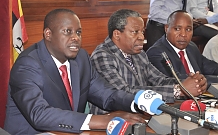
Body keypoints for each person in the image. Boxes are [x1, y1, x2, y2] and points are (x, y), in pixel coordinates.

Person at [3, 9, 147, 134]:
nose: (75, 38)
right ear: (48, 34)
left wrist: (138, 102)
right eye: (67, 32)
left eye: (78, 32)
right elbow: (38, 114)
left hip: (69, 131)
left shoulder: (81, 58)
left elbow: (107, 94)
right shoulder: (28, 64)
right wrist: (101, 121)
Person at [89, 9, 207, 115]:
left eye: (142, 31)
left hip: (140, 115)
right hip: (112, 120)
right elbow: (122, 92)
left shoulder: (139, 54)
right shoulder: (103, 55)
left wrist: (190, 83)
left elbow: (160, 80)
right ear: (117, 34)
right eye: (135, 32)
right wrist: (177, 91)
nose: (141, 37)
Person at [146, 10, 218, 89]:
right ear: (166, 28)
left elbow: (210, 67)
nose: (183, 34)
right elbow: (177, 80)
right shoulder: (156, 53)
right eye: (177, 29)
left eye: (188, 29)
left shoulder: (191, 46)